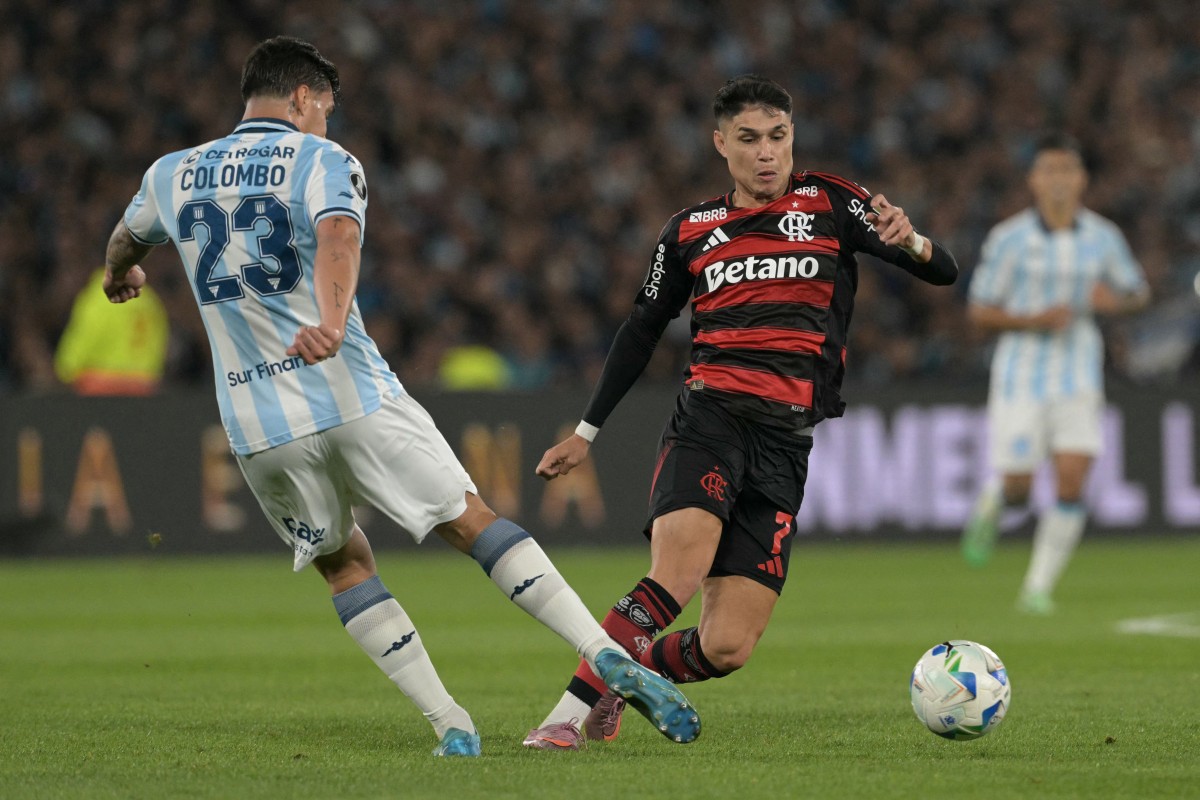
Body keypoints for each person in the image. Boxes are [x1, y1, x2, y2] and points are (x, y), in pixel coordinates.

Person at [102, 35, 699, 758]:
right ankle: (602, 652)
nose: (325, 120)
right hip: (352, 392)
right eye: (324, 106)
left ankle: (451, 725)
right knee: (471, 523)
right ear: (301, 99)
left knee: (343, 564)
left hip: (259, 425)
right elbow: (339, 240)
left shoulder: (172, 173)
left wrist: (122, 277)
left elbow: (124, 242)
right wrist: (327, 320)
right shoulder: (323, 160)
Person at [522, 74, 959, 750]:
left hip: (787, 443)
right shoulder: (690, 230)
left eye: (778, 137)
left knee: (727, 647)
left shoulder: (832, 203)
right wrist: (586, 431)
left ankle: (621, 677)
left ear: (792, 139)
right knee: (678, 573)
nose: (766, 153)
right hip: (711, 421)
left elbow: (944, 271)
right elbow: (642, 329)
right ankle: (564, 717)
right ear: (720, 143)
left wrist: (913, 240)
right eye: (749, 140)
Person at [961, 132, 1149, 614]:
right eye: (1050, 170)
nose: (1059, 179)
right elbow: (979, 312)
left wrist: (1117, 302)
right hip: (1021, 376)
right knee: (1021, 486)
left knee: (1071, 480)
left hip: (1079, 375)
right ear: (1034, 180)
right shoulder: (1009, 239)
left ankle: (1037, 589)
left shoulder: (1103, 236)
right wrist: (1033, 319)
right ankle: (996, 497)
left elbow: (1137, 292)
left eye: (1068, 170)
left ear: (1082, 179)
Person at [55, 266, 169, 395]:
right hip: (143, 386)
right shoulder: (150, 299)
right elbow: (160, 345)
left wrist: (66, 369)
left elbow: (86, 337)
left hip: (102, 387)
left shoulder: (97, 296)